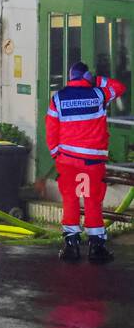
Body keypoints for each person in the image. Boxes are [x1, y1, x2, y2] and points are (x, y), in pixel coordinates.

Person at [47, 61, 127, 263]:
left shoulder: (58, 98)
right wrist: (98, 80)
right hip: (92, 161)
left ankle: (71, 246)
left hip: (67, 160)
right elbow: (120, 87)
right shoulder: (99, 95)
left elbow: (51, 130)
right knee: (92, 201)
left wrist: (57, 154)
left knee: (70, 199)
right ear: (87, 77)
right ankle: (96, 247)